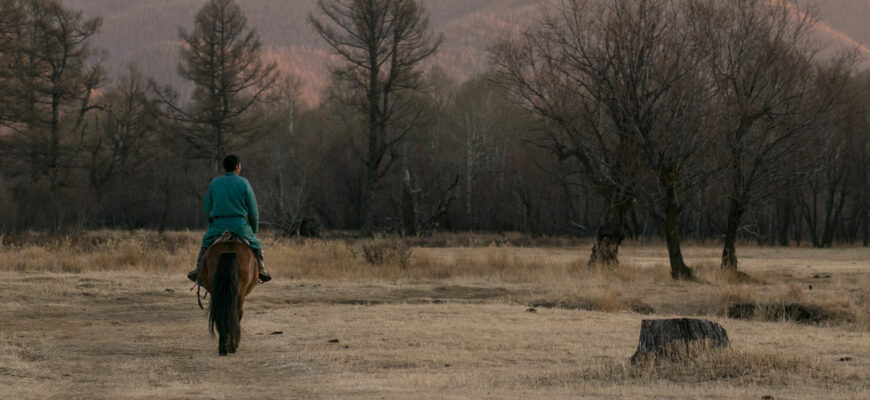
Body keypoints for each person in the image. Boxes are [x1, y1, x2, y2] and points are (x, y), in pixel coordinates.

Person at [187, 154, 271, 283]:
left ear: (224, 168)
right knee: (257, 245)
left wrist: (212, 224)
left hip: (218, 226)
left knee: (206, 244)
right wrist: (254, 229)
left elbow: (207, 208)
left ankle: (198, 270)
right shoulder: (244, 183)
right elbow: (253, 211)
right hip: (240, 227)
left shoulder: (215, 183)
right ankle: (261, 270)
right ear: (237, 167)